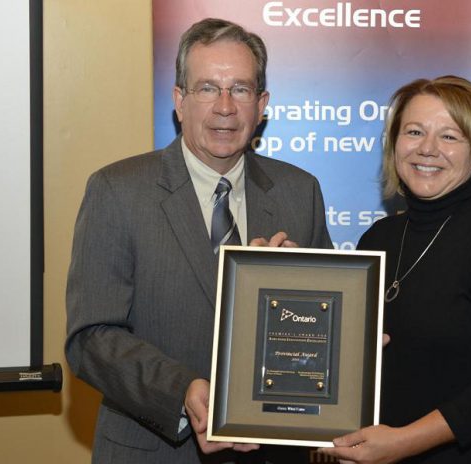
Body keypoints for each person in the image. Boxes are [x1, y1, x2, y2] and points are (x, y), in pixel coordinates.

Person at [65, 18, 331, 464]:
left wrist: (294, 292)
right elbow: (91, 338)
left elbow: (319, 330)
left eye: (241, 89)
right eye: (207, 88)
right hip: (156, 451)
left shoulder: (299, 192)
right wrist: (182, 392)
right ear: (178, 101)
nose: (224, 107)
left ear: (262, 104)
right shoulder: (117, 190)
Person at [319, 76, 471, 463]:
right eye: (414, 131)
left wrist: (403, 443)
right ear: (394, 144)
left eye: (450, 136)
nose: (427, 149)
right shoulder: (379, 239)